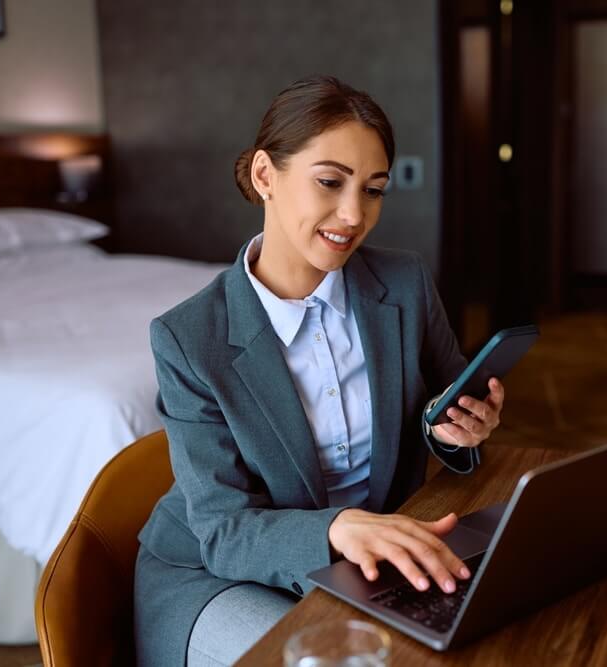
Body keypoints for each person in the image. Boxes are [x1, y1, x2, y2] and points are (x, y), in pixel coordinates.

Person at [133, 75, 507, 666]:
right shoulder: (187, 338)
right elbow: (224, 532)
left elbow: (447, 404)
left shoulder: (404, 284)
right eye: (330, 182)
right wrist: (338, 529)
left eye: (374, 189)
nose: (354, 214)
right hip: (222, 576)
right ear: (265, 176)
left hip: (370, 561)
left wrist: (461, 430)